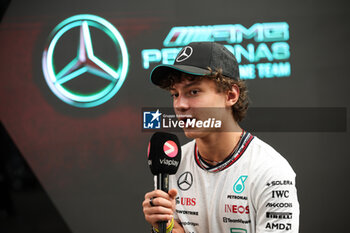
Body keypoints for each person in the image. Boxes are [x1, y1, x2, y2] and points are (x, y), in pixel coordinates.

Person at [142, 42, 299, 233]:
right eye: (175, 94)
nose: (180, 105)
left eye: (194, 91)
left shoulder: (271, 172)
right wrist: (164, 227)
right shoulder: (173, 162)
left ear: (230, 95)